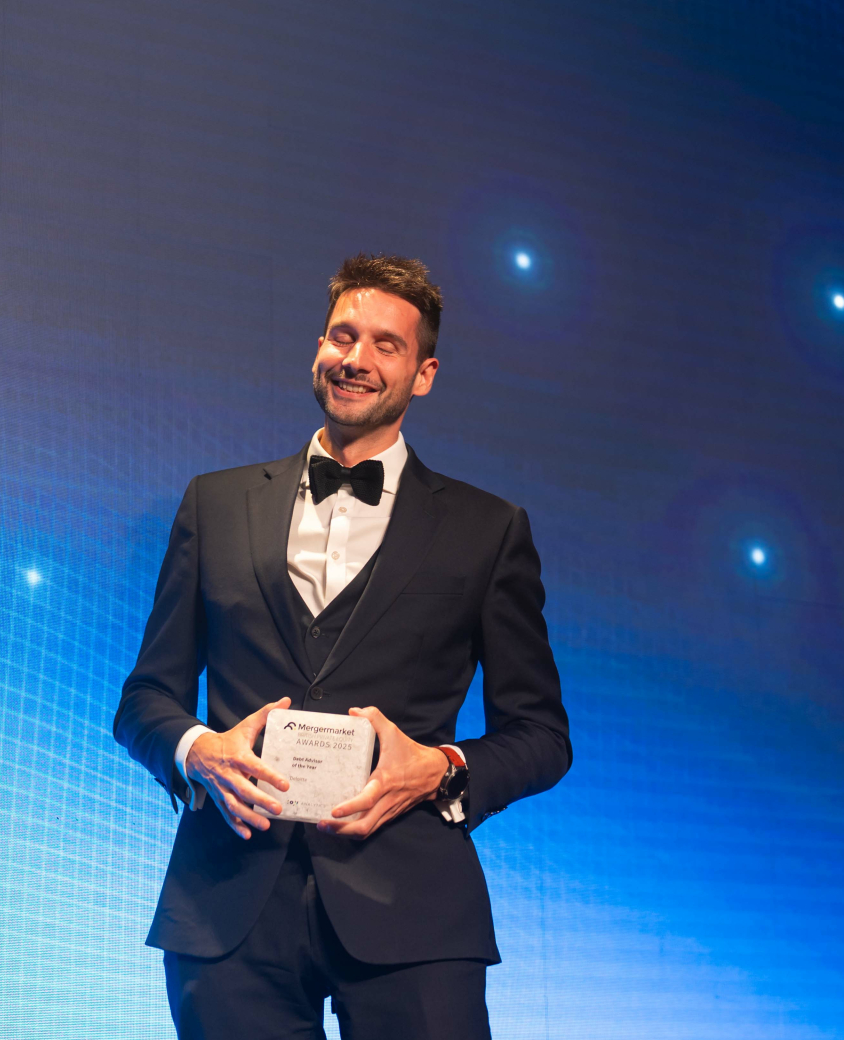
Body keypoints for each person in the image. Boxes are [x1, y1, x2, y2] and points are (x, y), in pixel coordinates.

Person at [113, 252, 572, 1039]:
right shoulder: (215, 503)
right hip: (227, 904)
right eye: (342, 336)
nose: (356, 359)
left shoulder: (487, 530)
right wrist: (198, 750)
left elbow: (541, 735)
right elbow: (144, 700)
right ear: (319, 348)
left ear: (424, 374)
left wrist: (441, 767)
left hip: (415, 911)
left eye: (386, 345)